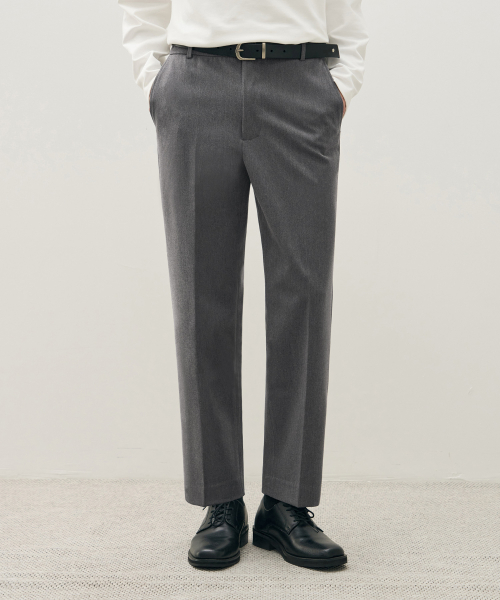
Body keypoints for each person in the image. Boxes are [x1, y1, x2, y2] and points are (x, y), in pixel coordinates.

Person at [118, 0, 368, 570]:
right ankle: (220, 500)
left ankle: (287, 502)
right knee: (200, 295)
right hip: (195, 82)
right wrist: (154, 80)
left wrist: (341, 84)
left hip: (300, 82)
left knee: (304, 294)